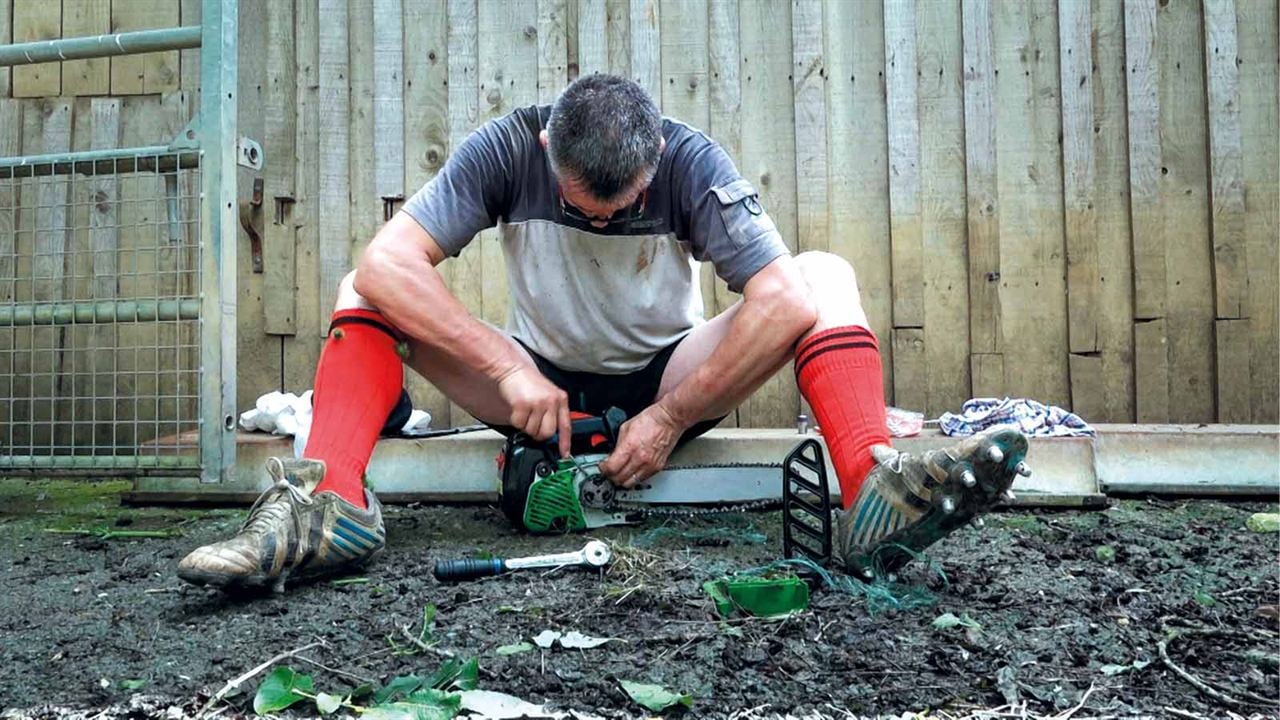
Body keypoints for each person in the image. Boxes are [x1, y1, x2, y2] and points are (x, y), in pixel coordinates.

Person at [177, 75, 1026, 593]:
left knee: (825, 277)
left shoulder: (691, 159)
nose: (605, 222)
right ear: (550, 148)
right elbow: (388, 264)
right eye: (584, 205)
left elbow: (781, 303)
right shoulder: (508, 147)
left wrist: (666, 418)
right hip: (532, 381)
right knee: (361, 286)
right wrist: (503, 371)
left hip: (668, 378)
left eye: (622, 207)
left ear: (654, 156)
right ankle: (325, 510)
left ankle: (868, 491)